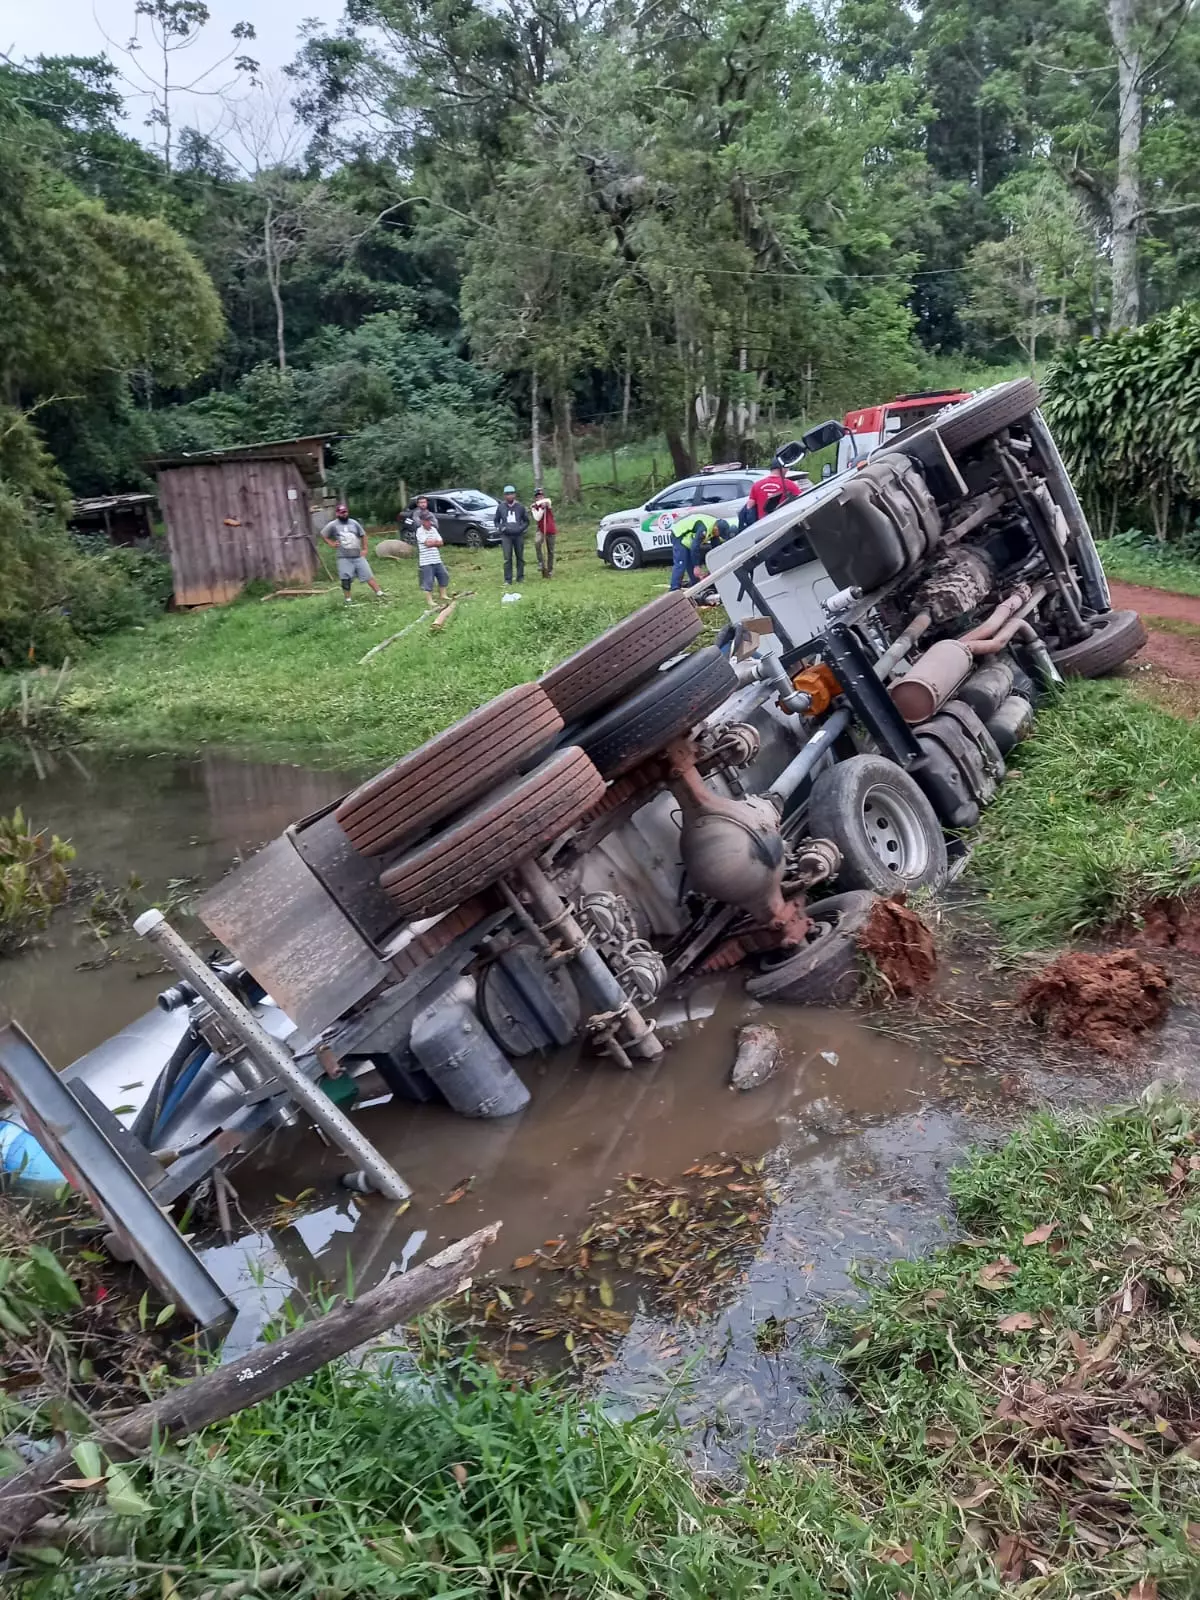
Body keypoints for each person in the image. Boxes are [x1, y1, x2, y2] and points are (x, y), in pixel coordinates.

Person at [320, 502, 385, 603]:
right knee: (345, 579)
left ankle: (379, 592)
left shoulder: (354, 523)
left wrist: (365, 549)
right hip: (344, 557)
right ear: (337, 514)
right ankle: (348, 599)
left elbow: (363, 535)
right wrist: (331, 543)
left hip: (358, 555)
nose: (344, 514)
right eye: (342, 512)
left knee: (368, 574)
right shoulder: (333, 525)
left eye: (345, 512)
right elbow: (323, 534)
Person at [738, 457, 804, 530]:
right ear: (781, 468)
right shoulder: (789, 484)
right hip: (781, 525)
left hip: (761, 526)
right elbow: (802, 500)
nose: (787, 470)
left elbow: (749, 507)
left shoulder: (756, 485)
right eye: (786, 468)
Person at [493, 485, 530, 585]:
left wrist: (521, 529)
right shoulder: (501, 507)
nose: (509, 496)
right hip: (506, 536)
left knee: (520, 557)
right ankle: (507, 580)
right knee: (507, 558)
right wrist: (501, 528)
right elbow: (496, 521)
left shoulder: (520, 507)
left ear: (515, 495)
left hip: (518, 535)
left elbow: (526, 521)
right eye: (507, 494)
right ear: (504, 496)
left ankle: (520, 577)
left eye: (511, 494)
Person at [415, 508, 450, 608]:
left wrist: (433, 543)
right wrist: (435, 542)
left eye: (430, 520)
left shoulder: (433, 529)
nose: (429, 522)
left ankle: (443, 595)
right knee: (428, 581)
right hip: (426, 561)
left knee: (444, 575)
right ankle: (429, 600)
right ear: (422, 521)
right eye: (427, 520)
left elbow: (441, 542)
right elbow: (427, 543)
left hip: (436, 559)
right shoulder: (419, 531)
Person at [531, 488, 557, 578]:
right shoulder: (534, 507)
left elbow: (548, 501)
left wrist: (544, 504)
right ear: (535, 497)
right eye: (538, 496)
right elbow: (537, 518)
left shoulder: (547, 503)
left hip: (550, 528)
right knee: (537, 543)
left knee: (551, 550)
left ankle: (549, 570)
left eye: (541, 495)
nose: (540, 497)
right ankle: (541, 563)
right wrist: (541, 508)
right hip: (541, 529)